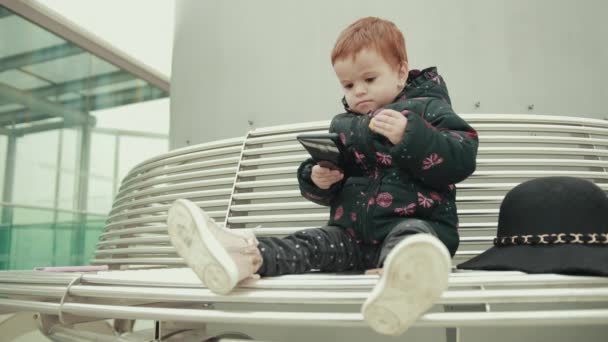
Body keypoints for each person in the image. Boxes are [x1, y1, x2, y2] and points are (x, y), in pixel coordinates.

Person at [167, 16, 479, 336]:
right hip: (351, 237)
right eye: (348, 85)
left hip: (417, 230)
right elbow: (333, 178)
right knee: (309, 243)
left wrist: (411, 135)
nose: (358, 91)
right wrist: (317, 178)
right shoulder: (345, 124)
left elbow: (462, 158)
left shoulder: (428, 110)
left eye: (369, 79)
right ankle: (243, 257)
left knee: (408, 240)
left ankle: (399, 286)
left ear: (400, 72)